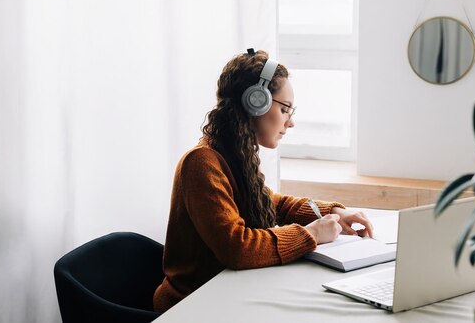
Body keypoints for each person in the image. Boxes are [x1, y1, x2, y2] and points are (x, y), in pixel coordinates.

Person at [153, 49, 374, 312]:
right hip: (191, 306)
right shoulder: (202, 163)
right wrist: (312, 233)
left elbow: (274, 204)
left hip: (228, 295)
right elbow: (236, 247)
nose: (290, 123)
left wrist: (333, 212)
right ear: (255, 102)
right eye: (285, 109)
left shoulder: (235, 155)